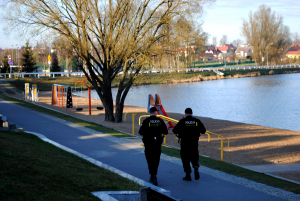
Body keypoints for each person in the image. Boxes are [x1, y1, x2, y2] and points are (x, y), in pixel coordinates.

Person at [172, 108, 206, 181]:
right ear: (192, 113)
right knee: (194, 155)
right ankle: (196, 167)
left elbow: (174, 131)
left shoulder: (182, 121)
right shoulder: (197, 121)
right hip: (194, 142)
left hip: (185, 142)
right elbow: (203, 131)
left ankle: (188, 175)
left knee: (185, 158)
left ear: (185, 113)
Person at [138, 107, 168, 186]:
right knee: (156, 158)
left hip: (148, 143)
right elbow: (166, 131)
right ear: (155, 112)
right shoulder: (160, 121)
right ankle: (154, 173)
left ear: (150, 112)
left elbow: (140, 132)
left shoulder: (146, 121)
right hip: (157, 143)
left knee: (149, 159)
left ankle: (152, 174)